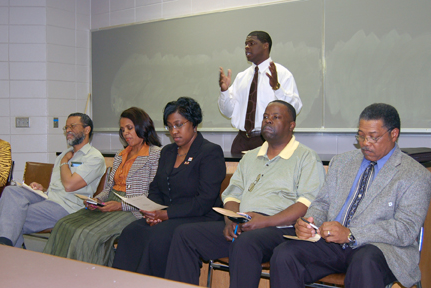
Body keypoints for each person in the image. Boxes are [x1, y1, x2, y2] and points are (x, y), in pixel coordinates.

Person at [164, 100, 325, 287]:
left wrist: (264, 221)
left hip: (281, 228)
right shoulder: (250, 156)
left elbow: (306, 205)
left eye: (276, 117)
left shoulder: (306, 157)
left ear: (292, 126)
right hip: (245, 224)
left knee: (245, 243)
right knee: (184, 235)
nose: (268, 120)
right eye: (265, 117)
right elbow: (232, 195)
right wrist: (232, 220)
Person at [270, 103, 431, 288]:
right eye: (361, 136)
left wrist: (351, 234)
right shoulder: (342, 162)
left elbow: (405, 229)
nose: (365, 143)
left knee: (364, 262)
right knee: (285, 255)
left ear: (393, 134)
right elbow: (322, 203)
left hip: (379, 249)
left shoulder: (415, 175)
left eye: (373, 137)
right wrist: (309, 222)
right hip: (332, 245)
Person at [112, 97, 226, 278]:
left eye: (179, 125)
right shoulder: (167, 152)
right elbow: (156, 188)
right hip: (168, 216)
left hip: (201, 217)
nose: (174, 131)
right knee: (132, 232)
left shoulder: (210, 152)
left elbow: (204, 200)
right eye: (169, 126)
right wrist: (152, 212)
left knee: (159, 237)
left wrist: (165, 215)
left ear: (194, 123)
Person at [43, 107, 162, 266]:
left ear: (143, 127)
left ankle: (86, 278)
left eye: (130, 128)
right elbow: (109, 188)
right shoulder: (121, 154)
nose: (126, 133)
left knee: (87, 234)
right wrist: (95, 200)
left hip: (133, 209)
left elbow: (152, 193)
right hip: (110, 203)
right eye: (122, 129)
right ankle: (56, 273)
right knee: (64, 224)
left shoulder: (155, 154)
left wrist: (120, 206)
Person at [0, 113, 106, 248]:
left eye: (73, 126)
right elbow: (58, 185)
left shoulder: (94, 157)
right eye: (66, 127)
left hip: (68, 207)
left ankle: (6, 248)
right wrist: (43, 189)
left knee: (11, 215)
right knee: (11, 192)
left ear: (87, 130)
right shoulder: (64, 154)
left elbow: (69, 186)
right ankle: (7, 246)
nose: (68, 130)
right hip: (49, 198)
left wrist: (65, 161)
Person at [218, 31, 302, 154]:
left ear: (265, 45)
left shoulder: (282, 74)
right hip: (241, 140)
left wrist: (277, 88)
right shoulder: (242, 77)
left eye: (252, 43)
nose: (247, 47)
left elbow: (295, 108)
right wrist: (224, 91)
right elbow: (228, 112)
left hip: (269, 140)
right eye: (246, 44)